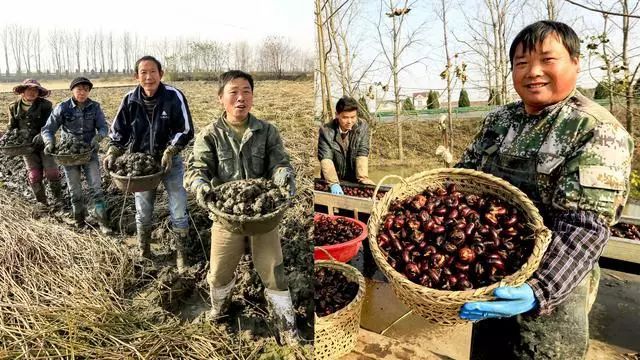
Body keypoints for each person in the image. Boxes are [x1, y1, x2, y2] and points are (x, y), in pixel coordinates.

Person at [455, 21, 633, 359]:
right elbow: (464, 180)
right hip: (490, 275)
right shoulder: (500, 121)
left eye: (548, 60)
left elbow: (586, 227)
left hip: (553, 294)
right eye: (521, 63)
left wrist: (541, 287)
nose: (533, 72)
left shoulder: (594, 129)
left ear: (576, 63)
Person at [184, 70, 298, 345]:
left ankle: (286, 324)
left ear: (252, 96)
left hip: (263, 217)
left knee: (274, 271)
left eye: (246, 91)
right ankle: (219, 310)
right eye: (233, 92)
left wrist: (283, 174)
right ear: (220, 98)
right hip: (226, 217)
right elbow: (196, 169)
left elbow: (279, 163)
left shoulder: (267, 131)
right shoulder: (210, 135)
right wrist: (200, 186)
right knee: (220, 272)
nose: (240, 98)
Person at [103, 56, 194, 271]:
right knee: (143, 211)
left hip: (170, 161)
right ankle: (144, 250)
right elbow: (118, 131)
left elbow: (186, 129)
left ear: (161, 74)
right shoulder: (129, 100)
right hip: (141, 166)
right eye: (143, 72)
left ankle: (182, 256)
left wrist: (171, 150)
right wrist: (113, 151)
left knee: (179, 208)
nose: (148, 76)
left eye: (153, 71)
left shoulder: (173, 96)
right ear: (136, 76)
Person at [41, 77, 110, 233]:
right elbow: (48, 129)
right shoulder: (63, 107)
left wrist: (98, 137)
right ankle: (79, 221)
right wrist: (49, 143)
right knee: (75, 190)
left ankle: (103, 221)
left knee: (96, 188)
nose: (82, 93)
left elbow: (103, 127)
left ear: (88, 91)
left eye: (86, 89)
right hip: (68, 155)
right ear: (72, 90)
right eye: (79, 89)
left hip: (89, 153)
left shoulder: (95, 107)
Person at [7, 79, 63, 207]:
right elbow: (12, 127)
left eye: (35, 90)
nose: (32, 92)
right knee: (34, 175)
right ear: (22, 91)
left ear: (39, 92)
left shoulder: (46, 105)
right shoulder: (14, 107)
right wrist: (9, 138)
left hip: (45, 144)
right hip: (26, 146)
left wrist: (42, 134)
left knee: (52, 173)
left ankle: (58, 200)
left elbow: (51, 124)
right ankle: (42, 202)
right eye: (29, 89)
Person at [317, 96, 374, 195]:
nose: (349, 121)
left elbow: (362, 152)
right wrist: (333, 183)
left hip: (353, 178)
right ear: (337, 115)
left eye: (353, 117)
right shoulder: (326, 131)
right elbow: (326, 158)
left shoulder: (362, 126)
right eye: (345, 117)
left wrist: (363, 177)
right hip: (333, 177)